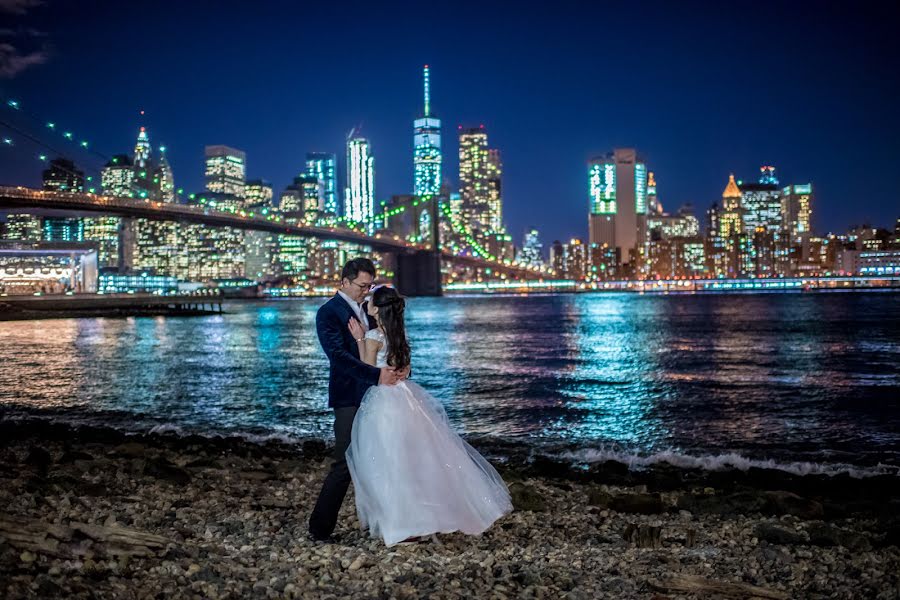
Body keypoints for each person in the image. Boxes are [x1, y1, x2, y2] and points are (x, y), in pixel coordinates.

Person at [346, 285, 512, 547]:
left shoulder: (374, 335)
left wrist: (358, 339)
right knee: (414, 462)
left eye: (370, 300)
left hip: (384, 403)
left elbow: (367, 370)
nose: (366, 303)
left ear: (377, 308)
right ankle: (420, 521)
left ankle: (401, 525)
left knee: (388, 463)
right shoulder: (400, 336)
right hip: (407, 400)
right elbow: (406, 372)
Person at [308, 258, 408, 542]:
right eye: (362, 286)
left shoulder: (369, 311)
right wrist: (376, 376)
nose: (366, 291)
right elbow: (338, 358)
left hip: (379, 399)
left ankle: (389, 522)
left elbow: (387, 344)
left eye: (370, 286)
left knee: (385, 458)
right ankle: (320, 528)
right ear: (344, 282)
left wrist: (398, 369)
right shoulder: (328, 313)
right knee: (344, 462)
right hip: (350, 397)